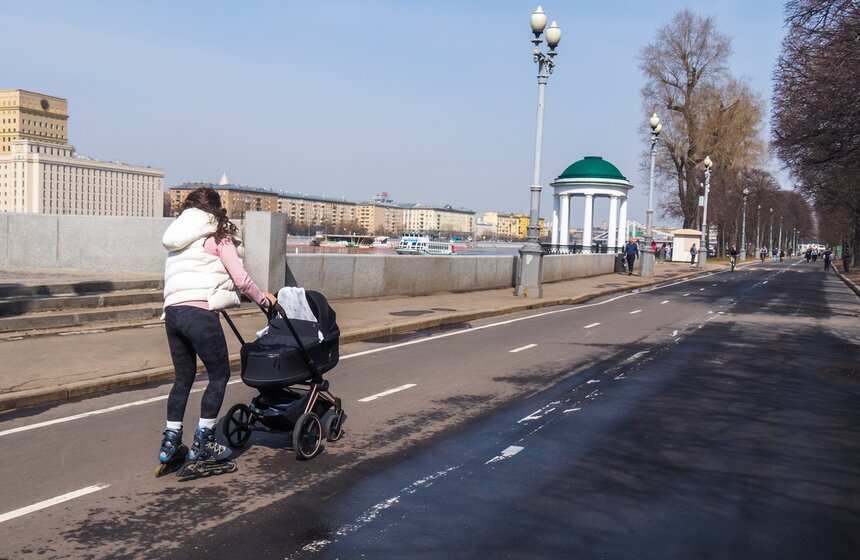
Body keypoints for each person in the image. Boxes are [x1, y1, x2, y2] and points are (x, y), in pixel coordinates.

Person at [157, 187, 277, 478]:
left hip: (172, 313)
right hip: (199, 314)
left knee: (183, 378)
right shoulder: (218, 236)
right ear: (215, 209)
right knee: (219, 375)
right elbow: (241, 278)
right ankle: (204, 442)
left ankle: (170, 444)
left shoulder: (178, 238)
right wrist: (265, 301)